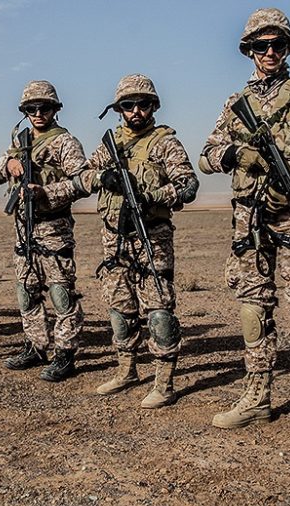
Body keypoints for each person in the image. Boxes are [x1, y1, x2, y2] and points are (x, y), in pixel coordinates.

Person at [199, 8, 290, 447]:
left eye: (277, 44)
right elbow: (207, 155)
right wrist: (233, 156)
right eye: (261, 45)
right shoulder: (234, 103)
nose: (269, 52)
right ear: (249, 50)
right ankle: (258, 395)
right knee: (252, 308)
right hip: (248, 220)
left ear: (288, 48)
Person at [75, 74, 198, 407]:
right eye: (128, 105)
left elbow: (188, 184)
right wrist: (104, 176)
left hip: (152, 237)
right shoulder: (110, 144)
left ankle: (164, 383)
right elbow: (81, 178)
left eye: (142, 104)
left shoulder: (165, 142)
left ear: (153, 106)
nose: (136, 111)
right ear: (119, 109)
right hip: (114, 238)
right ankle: (126, 371)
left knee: (159, 312)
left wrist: (151, 198)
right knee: (119, 309)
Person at [0, 80, 88, 382]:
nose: (38, 113)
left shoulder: (65, 142)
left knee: (61, 293)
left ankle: (65, 354)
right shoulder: (19, 141)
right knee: (27, 292)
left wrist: (45, 192)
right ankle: (35, 346)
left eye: (44, 107)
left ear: (55, 109)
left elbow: (83, 182)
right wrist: (7, 163)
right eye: (31, 108)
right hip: (24, 230)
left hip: (54, 229)